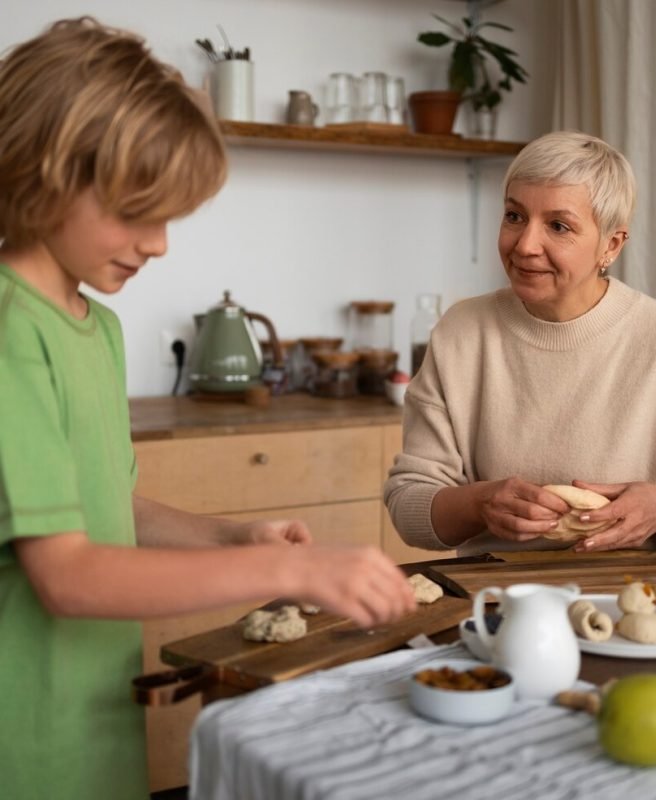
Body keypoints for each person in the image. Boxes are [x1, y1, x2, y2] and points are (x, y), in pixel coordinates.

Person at [0, 18, 415, 800]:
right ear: (42, 173)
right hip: (24, 742)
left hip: (94, 717)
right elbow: (68, 576)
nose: (159, 244)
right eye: (136, 211)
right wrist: (287, 567)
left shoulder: (95, 327)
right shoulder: (11, 331)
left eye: (168, 218)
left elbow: (105, 507)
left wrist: (230, 536)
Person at [385, 130, 656, 557]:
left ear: (611, 245)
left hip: (636, 592)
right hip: (494, 594)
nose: (525, 245)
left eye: (558, 226)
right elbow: (409, 504)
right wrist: (480, 503)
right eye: (514, 216)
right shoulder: (461, 333)